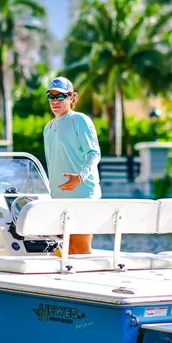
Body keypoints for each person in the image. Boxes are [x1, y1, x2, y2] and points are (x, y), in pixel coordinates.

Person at [42, 76, 102, 255]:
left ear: (71, 97)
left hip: (83, 196)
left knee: (81, 249)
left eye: (60, 96)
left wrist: (80, 177)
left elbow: (94, 153)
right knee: (68, 250)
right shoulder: (48, 127)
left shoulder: (80, 120)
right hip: (58, 198)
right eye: (51, 96)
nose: (55, 101)